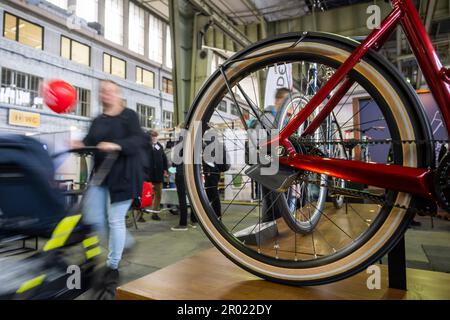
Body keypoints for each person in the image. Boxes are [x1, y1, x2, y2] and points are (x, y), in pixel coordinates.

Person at [72, 80, 146, 298]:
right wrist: (79, 145)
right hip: (101, 175)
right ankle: (127, 243)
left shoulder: (129, 116)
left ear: (118, 94)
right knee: (94, 217)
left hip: (123, 176)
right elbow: (89, 141)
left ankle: (112, 266)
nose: (106, 94)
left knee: (115, 220)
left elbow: (138, 140)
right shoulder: (98, 120)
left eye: (110, 91)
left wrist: (117, 145)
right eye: (103, 91)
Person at [171, 135, 198, 231]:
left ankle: (183, 224)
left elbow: (174, 162)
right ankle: (194, 220)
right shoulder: (192, 144)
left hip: (180, 174)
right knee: (192, 198)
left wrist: (171, 172)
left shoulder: (179, 145)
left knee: (182, 199)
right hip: (191, 174)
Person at [147, 130, 168, 221]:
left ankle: (154, 213)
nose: (154, 138)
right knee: (146, 195)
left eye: (155, 136)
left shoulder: (159, 146)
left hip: (158, 176)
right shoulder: (145, 147)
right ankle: (139, 215)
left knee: (158, 195)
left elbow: (164, 159)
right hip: (148, 177)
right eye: (152, 136)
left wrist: (165, 170)